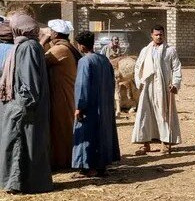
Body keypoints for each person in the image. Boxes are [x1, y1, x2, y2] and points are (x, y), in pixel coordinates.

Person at [0, 12, 53, 194]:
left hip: (23, 108)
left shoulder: (28, 47)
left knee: (19, 144)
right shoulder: (25, 45)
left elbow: (29, 84)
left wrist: (21, 106)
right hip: (20, 106)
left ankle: (18, 184)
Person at [72, 31, 120, 176]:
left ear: (81, 46)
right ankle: (101, 167)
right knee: (102, 135)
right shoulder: (104, 59)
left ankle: (88, 168)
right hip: (104, 105)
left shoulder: (84, 61)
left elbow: (82, 86)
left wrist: (79, 107)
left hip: (90, 107)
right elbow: (112, 82)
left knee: (88, 136)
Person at [131, 25, 182, 155]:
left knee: (163, 114)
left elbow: (176, 68)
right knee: (145, 114)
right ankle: (145, 144)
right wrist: (139, 82)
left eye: (161, 35)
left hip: (164, 87)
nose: (159, 37)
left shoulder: (170, 51)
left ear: (164, 35)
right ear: (151, 35)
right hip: (147, 86)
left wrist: (175, 84)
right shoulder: (145, 50)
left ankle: (165, 143)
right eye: (156, 35)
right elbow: (138, 67)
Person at [44, 19, 81, 170]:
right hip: (64, 94)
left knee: (61, 128)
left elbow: (38, 60)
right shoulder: (65, 47)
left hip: (62, 96)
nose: (49, 34)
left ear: (55, 33)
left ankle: (63, 161)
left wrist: (41, 41)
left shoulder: (60, 50)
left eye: (50, 31)